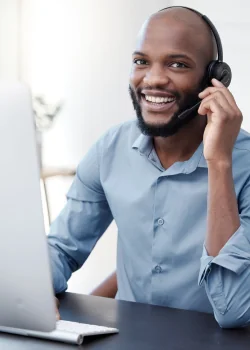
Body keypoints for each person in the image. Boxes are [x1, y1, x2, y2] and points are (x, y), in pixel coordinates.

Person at [48, 6, 250, 328]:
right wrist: (33, 293)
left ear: (215, 78)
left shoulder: (245, 164)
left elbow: (234, 310)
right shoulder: (110, 150)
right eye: (141, 61)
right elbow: (61, 247)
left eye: (178, 64)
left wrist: (219, 162)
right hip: (129, 338)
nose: (153, 79)